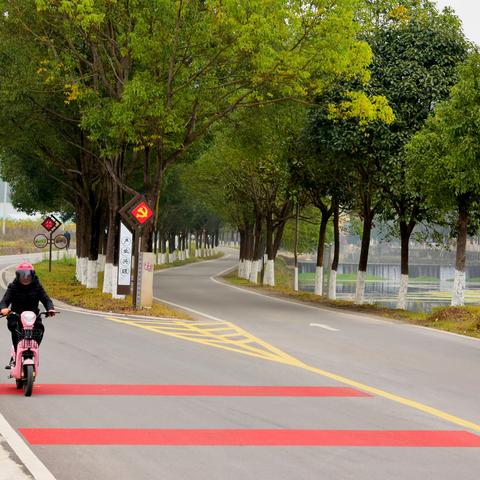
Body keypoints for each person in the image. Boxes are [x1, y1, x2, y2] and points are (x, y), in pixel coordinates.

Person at [0, 262, 56, 369]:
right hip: (16, 315)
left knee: (40, 330)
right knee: (15, 329)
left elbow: (46, 299)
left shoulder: (37, 286)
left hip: (33, 316)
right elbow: (4, 301)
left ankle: (32, 350)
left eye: (28, 275)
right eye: (22, 275)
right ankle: (16, 354)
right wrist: (3, 309)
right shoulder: (13, 286)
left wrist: (50, 308)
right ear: (17, 275)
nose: (25, 278)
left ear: (32, 275)